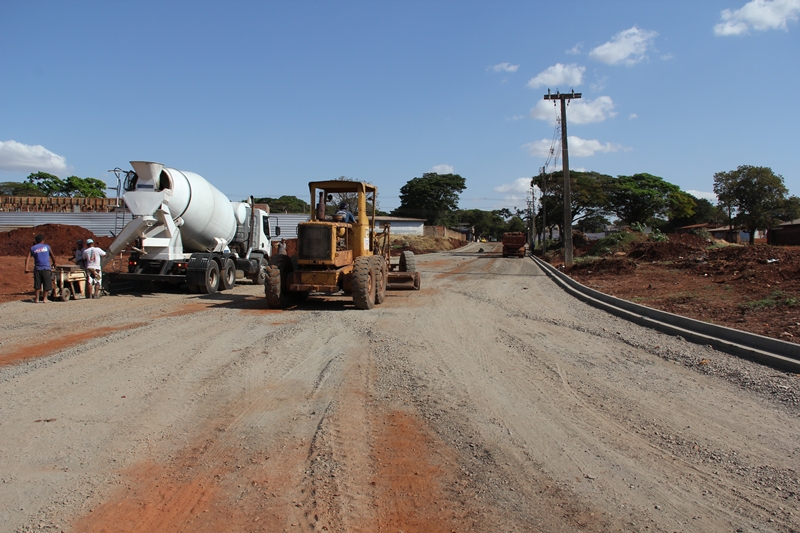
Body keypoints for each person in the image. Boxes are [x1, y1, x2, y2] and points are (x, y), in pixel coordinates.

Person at [24, 234, 56, 303]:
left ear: (35, 241)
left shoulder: (32, 248)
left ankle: (37, 299)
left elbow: (27, 258)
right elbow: (52, 256)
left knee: (37, 284)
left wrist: (26, 268)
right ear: (42, 241)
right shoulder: (47, 247)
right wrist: (54, 263)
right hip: (46, 268)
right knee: (46, 283)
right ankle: (45, 299)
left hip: (37, 268)